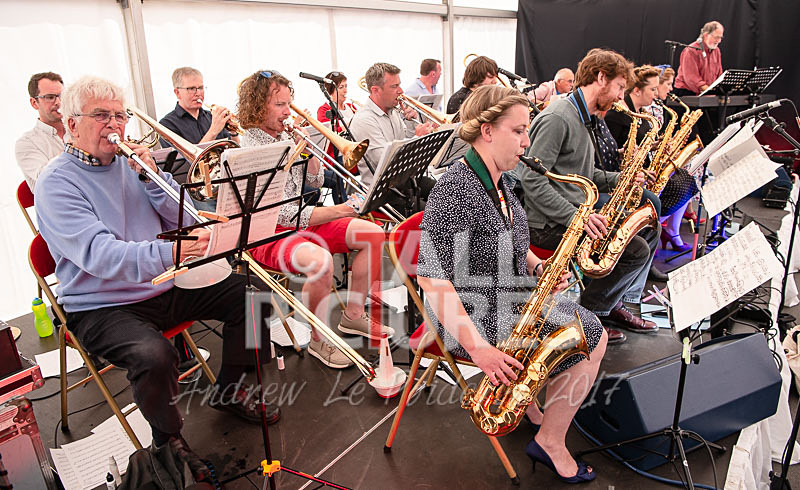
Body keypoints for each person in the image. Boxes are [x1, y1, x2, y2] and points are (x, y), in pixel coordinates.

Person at [34, 76, 278, 457]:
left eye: (120, 116)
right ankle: (167, 439)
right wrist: (176, 254)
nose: (114, 125)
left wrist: (154, 179)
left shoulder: (130, 165)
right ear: (71, 124)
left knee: (254, 296)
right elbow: (102, 257)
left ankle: (229, 390)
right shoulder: (56, 183)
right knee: (154, 355)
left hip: (162, 284)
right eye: (101, 116)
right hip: (101, 304)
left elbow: (183, 218)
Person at [418, 84, 606, 483]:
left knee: (587, 329)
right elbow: (432, 280)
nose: (527, 142)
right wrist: (481, 351)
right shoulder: (454, 190)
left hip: (509, 295)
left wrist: (538, 266)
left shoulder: (499, 179)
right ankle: (551, 440)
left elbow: (513, 241)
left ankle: (535, 408)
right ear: (487, 131)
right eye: (519, 131)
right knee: (591, 333)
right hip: (472, 317)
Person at [237, 69, 393, 369]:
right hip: (269, 231)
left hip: (301, 219)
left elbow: (314, 183)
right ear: (258, 107)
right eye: (280, 105)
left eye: (288, 102)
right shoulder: (251, 150)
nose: (288, 111)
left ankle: (353, 315)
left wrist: (311, 155)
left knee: (372, 234)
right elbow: (281, 213)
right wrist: (341, 209)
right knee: (320, 261)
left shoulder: (286, 134)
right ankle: (320, 341)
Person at [517, 48, 658, 346]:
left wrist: (622, 178)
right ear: (601, 77)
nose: (621, 96)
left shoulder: (584, 117)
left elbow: (585, 172)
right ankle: (590, 316)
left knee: (640, 233)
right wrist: (577, 220)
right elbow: (531, 180)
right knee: (634, 251)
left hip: (573, 214)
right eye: (620, 87)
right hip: (546, 225)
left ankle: (608, 304)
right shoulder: (558, 117)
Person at [349, 62, 435, 213]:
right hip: (383, 193)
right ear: (375, 90)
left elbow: (403, 140)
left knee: (448, 193)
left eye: (399, 85)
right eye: (394, 86)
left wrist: (411, 125)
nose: (401, 91)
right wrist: (416, 138)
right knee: (434, 213)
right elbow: (385, 161)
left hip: (405, 181)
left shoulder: (393, 112)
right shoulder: (364, 120)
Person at [644, 65, 700, 252]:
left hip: (656, 157)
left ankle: (672, 229)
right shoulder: (649, 107)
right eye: (667, 84)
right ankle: (653, 226)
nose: (671, 89)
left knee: (689, 175)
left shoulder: (660, 106)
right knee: (683, 179)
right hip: (649, 164)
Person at [159, 66, 239, 147]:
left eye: (200, 88)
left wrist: (233, 131)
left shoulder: (212, 117)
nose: (198, 93)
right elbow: (188, 158)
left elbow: (234, 151)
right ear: (177, 93)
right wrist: (213, 131)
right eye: (191, 88)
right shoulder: (166, 125)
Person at [16, 72, 67, 191]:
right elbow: (46, 179)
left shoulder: (78, 129)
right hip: (59, 205)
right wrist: (74, 148)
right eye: (50, 97)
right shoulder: (26, 143)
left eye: (61, 96)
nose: (58, 102)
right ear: (34, 103)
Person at [316, 70, 358, 204]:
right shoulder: (324, 110)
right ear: (330, 91)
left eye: (346, 86)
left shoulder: (352, 107)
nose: (345, 90)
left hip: (353, 152)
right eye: (341, 87)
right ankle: (345, 206)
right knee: (338, 174)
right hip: (336, 156)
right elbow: (329, 132)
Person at [674, 21, 724, 96]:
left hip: (706, 92)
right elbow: (691, 78)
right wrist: (709, 91)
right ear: (706, 35)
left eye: (721, 38)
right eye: (716, 37)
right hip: (686, 92)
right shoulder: (691, 50)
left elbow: (719, 75)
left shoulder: (716, 51)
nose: (719, 41)